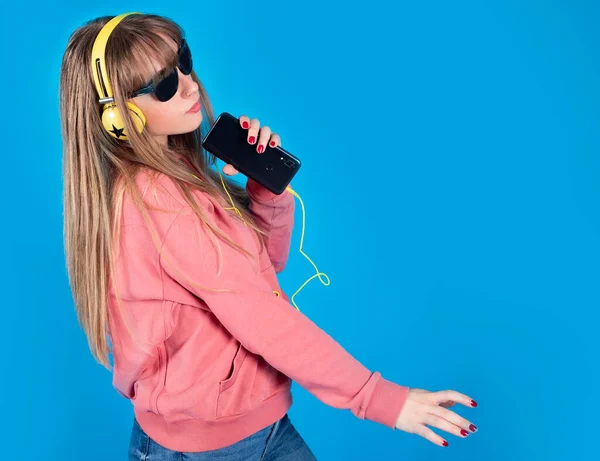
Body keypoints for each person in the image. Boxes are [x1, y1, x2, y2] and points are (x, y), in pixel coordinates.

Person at [59, 12, 479, 460]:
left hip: (258, 425)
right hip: (205, 448)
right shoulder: (158, 200)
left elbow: (264, 268)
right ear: (117, 120)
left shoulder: (182, 175)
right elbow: (261, 314)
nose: (188, 85)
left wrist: (266, 190)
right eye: (162, 85)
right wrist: (380, 400)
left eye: (183, 61)